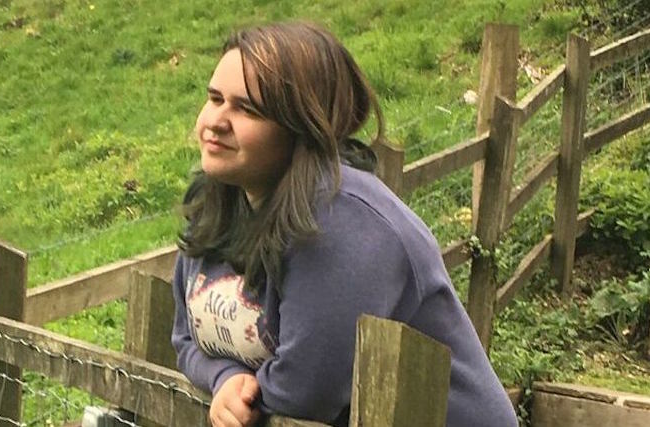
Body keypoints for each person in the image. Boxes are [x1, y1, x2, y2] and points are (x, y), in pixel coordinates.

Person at [170, 21, 518, 427]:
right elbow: (184, 340)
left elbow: (304, 391)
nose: (216, 121)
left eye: (247, 108)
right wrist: (225, 378)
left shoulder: (339, 222)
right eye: (215, 98)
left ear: (302, 126)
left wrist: (242, 393)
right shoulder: (219, 202)